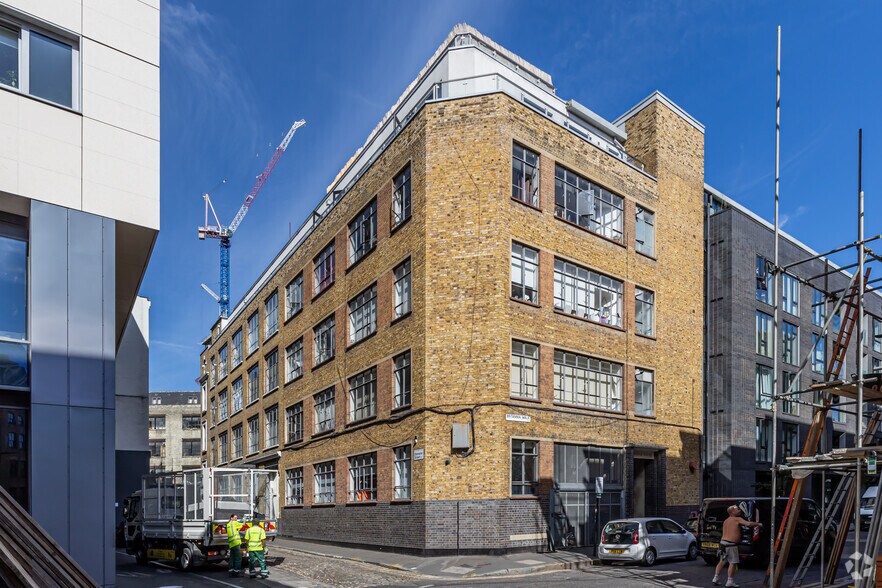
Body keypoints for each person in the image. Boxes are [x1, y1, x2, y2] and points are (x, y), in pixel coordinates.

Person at [712, 504, 762, 587]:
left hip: (723, 543)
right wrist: (758, 524)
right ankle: (730, 581)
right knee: (733, 562)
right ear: (732, 512)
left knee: (722, 561)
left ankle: (715, 578)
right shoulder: (737, 519)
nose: (739, 510)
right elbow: (748, 524)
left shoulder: (726, 520)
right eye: (737, 509)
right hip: (731, 545)